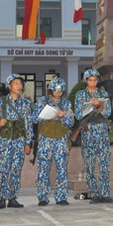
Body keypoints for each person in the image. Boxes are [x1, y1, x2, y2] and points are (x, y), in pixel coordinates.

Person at [0, 73, 33, 209]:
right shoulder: (0, 102)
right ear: (9, 86)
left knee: (16, 170)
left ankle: (12, 198)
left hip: (19, 141)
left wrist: (28, 143)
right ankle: (2, 198)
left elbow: (28, 125)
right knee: (2, 170)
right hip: (4, 141)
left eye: (20, 84)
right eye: (15, 83)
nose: (19, 86)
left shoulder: (25, 104)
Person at [74, 68, 113, 203]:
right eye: (90, 80)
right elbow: (78, 114)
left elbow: (108, 113)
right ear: (86, 81)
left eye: (95, 80)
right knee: (90, 165)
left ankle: (105, 194)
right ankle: (93, 193)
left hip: (102, 131)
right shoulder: (80, 95)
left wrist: (99, 107)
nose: (92, 82)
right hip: (88, 131)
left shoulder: (103, 93)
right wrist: (89, 107)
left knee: (104, 164)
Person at [32, 77, 74, 205]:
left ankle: (61, 196)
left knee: (62, 168)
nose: (58, 93)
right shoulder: (42, 101)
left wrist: (62, 117)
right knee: (43, 168)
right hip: (45, 139)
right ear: (51, 90)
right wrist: (46, 116)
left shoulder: (66, 104)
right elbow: (34, 118)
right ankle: (43, 197)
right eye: (55, 90)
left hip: (61, 139)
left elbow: (71, 122)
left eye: (60, 91)